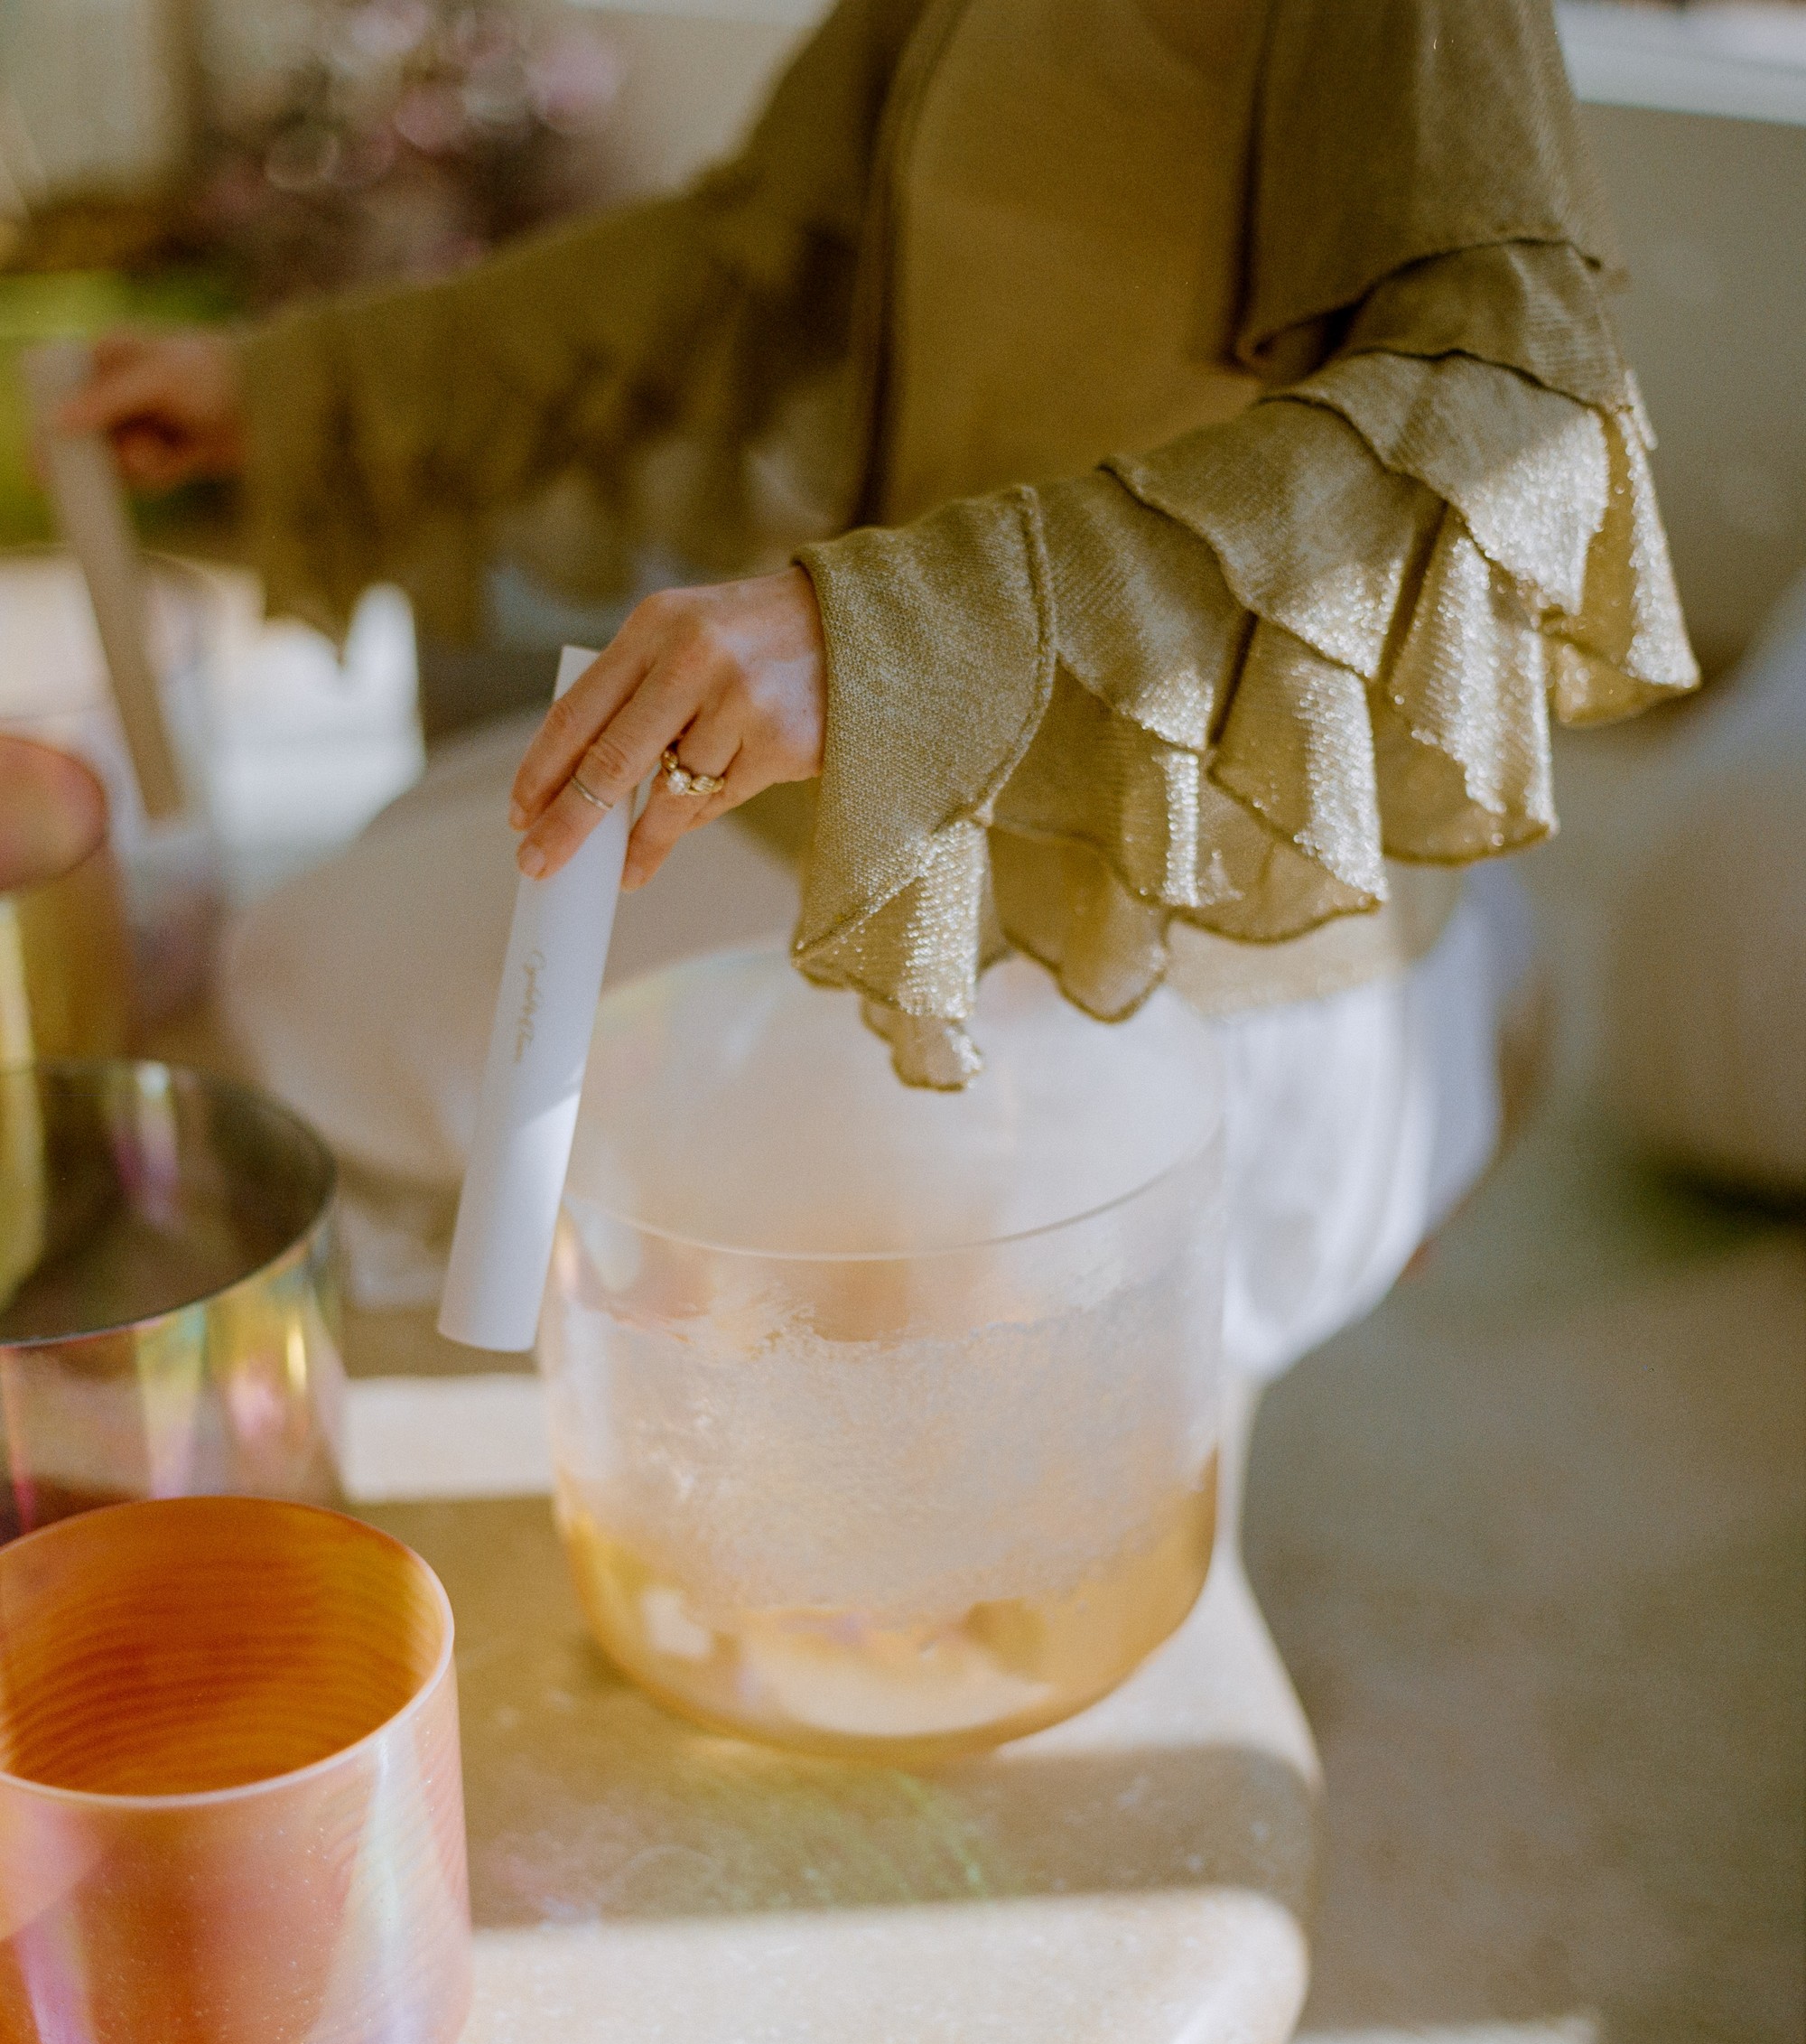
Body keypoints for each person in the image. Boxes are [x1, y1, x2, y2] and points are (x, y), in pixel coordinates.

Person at [60, 0, 1695, 1373]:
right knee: (383, 887)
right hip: (923, 754)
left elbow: (1509, 414)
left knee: (267, 1014)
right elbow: (759, 253)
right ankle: (1470, 1006)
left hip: (1146, 904)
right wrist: (305, 386)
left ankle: (1389, 1093)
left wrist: (886, 640)